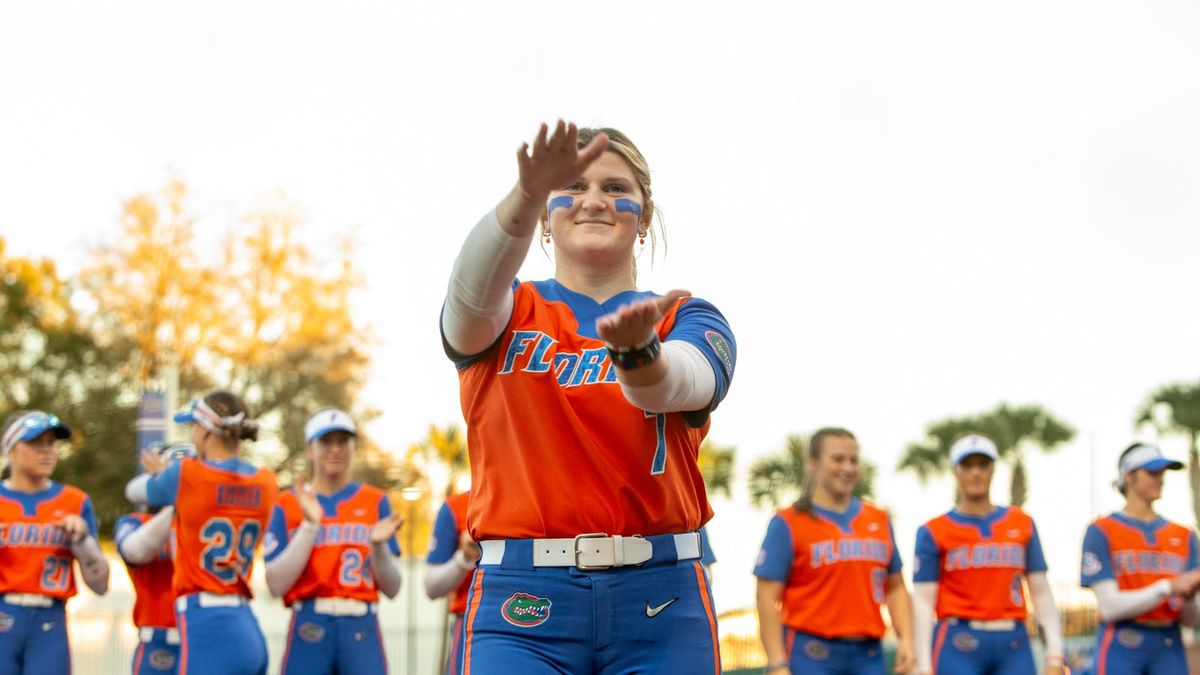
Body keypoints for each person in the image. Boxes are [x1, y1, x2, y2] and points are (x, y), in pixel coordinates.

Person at [441, 121, 737, 673]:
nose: (594, 200)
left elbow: (682, 382)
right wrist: (526, 193)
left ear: (644, 216)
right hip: (521, 600)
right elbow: (466, 296)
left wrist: (636, 354)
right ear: (545, 218)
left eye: (617, 188)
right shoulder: (506, 310)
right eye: (572, 186)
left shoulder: (684, 315)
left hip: (662, 600)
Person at [125, 391, 278, 675]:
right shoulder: (266, 481)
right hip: (245, 621)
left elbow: (133, 490)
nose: (192, 435)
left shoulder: (187, 474)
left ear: (207, 430)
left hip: (207, 623)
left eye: (194, 427)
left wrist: (163, 476)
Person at [754, 427, 915, 675]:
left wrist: (905, 637)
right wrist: (777, 663)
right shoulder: (788, 522)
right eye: (838, 459)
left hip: (869, 654)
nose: (848, 468)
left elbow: (895, 586)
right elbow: (766, 597)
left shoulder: (879, 519)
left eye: (853, 460)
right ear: (813, 463)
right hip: (811, 653)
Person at [263, 408, 403, 675]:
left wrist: (378, 546)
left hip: (361, 622)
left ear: (353, 447)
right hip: (309, 621)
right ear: (309, 449)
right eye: (326, 441)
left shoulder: (374, 501)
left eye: (343, 441)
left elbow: (393, 587)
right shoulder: (288, 503)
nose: (335, 449)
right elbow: (274, 584)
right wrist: (309, 526)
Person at [912, 433, 1065, 675]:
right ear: (955, 470)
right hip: (957, 641)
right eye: (967, 465)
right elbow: (922, 601)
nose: (976, 472)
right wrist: (922, 665)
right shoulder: (934, 531)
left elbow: (1042, 593)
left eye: (983, 464)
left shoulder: (1022, 523)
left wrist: (1054, 656)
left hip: (1013, 641)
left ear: (993, 469)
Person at [0, 410, 110, 674]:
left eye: (51, 443)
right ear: (11, 448)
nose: (47, 451)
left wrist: (82, 542)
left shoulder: (74, 501)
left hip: (50, 620)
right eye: (35, 443)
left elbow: (101, 584)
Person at [1080, 442, 1200, 675]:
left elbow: (1189, 620)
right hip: (1120, 642)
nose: (1160, 479)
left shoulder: (1184, 535)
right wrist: (1168, 587)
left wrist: (1189, 596)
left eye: (1162, 473)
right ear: (1129, 477)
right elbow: (1110, 607)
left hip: (1169, 642)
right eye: (1152, 472)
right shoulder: (1102, 530)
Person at [115, 442, 197, 675]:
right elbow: (135, 552)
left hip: (201, 637)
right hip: (157, 641)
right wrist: (178, 499)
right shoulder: (134, 522)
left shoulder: (206, 528)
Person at [424, 489, 476, 675]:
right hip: (471, 620)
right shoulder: (457, 506)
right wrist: (464, 558)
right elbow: (431, 587)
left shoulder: (536, 496)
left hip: (533, 614)